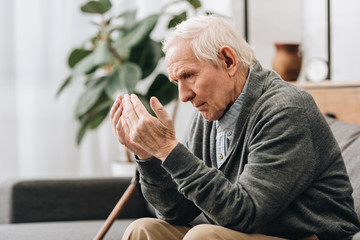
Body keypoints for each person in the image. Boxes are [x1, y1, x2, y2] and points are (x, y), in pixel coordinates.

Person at [110, 15, 360, 240]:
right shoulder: (210, 111)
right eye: (176, 81)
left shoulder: (286, 109)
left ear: (228, 61)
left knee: (203, 237)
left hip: (309, 236)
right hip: (251, 231)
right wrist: (147, 155)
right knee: (143, 229)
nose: (183, 95)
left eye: (188, 76)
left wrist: (169, 149)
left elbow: (246, 214)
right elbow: (176, 212)